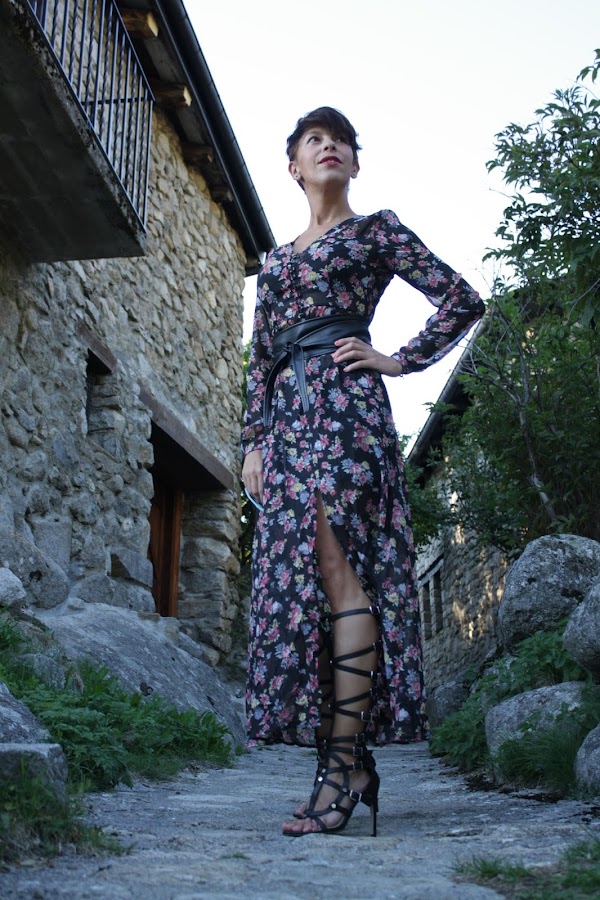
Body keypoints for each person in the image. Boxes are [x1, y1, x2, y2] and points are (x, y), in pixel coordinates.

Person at [241, 107, 485, 837]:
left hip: (348, 417)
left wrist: (397, 359)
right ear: (293, 166)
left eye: (342, 140)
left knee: (340, 577)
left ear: (355, 162)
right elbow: (260, 357)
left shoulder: (376, 231)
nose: (330, 147)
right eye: (315, 140)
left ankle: (343, 765)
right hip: (288, 427)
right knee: (304, 593)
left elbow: (461, 298)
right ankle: (345, 762)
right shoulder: (275, 262)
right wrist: (253, 442)